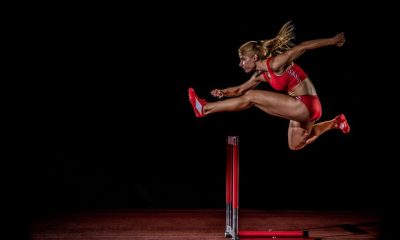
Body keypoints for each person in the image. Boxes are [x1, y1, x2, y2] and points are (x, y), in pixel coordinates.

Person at [188, 21, 350, 151]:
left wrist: (333, 40)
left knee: (252, 97)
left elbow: (303, 47)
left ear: (255, 57)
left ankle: (205, 108)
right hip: (303, 108)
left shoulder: (276, 63)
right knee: (295, 144)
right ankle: (335, 123)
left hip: (306, 104)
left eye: (243, 59)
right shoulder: (260, 74)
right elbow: (239, 90)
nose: (240, 64)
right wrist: (222, 92)